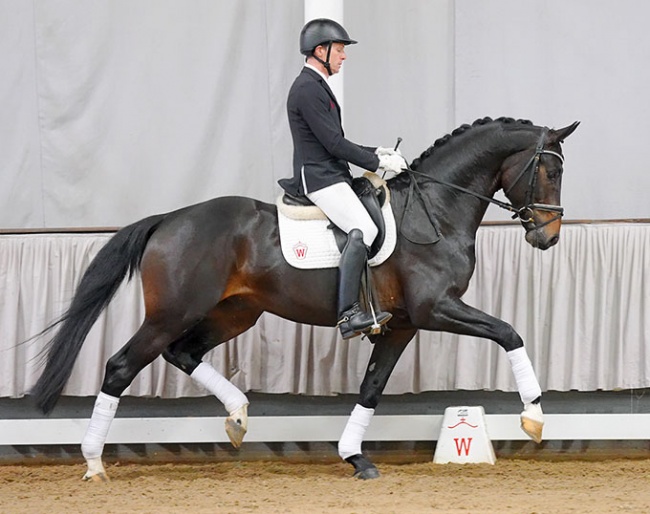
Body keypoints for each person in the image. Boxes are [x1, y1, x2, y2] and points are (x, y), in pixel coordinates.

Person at [278, 18, 406, 340]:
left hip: (332, 173)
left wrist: (378, 150)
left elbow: (335, 139)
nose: (343, 57)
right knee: (364, 228)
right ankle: (348, 313)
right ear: (320, 50)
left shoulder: (317, 86)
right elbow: (334, 144)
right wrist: (376, 162)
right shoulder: (307, 88)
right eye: (339, 50)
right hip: (320, 178)